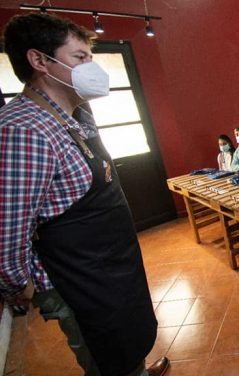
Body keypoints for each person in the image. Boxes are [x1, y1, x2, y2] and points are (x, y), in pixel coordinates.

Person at [0, 13, 168, 376]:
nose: (92, 67)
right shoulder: (24, 131)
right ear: (40, 61)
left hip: (112, 266)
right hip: (79, 282)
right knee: (105, 355)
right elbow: (7, 232)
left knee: (127, 340)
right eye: (80, 58)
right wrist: (25, 288)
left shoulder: (77, 114)